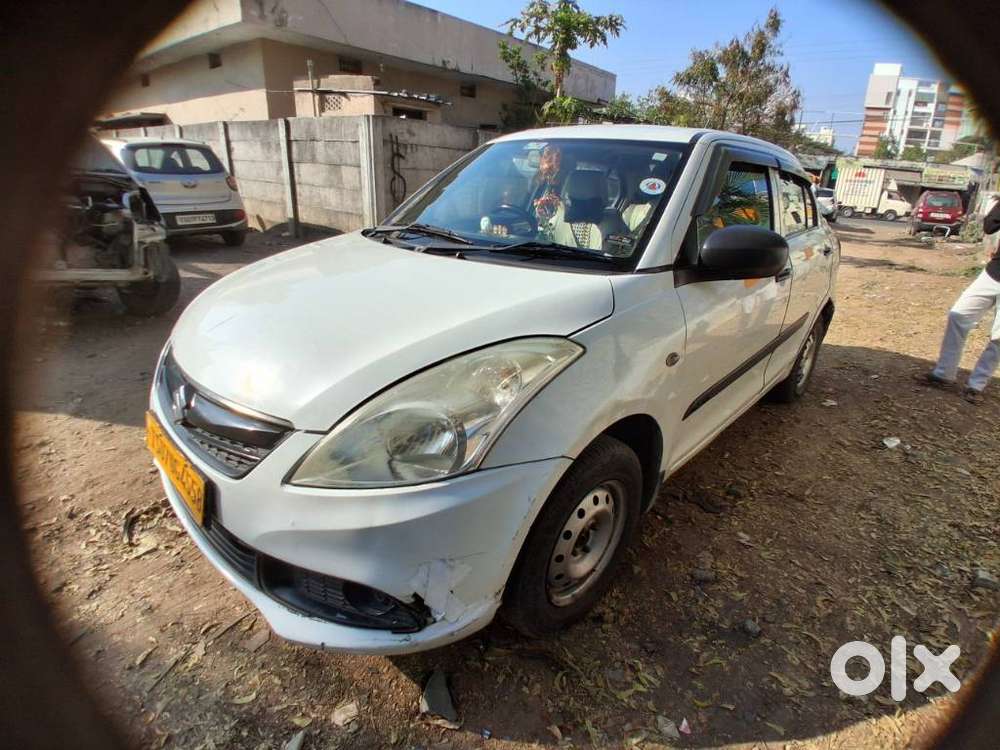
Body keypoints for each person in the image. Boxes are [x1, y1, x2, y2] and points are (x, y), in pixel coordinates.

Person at [924, 197, 1000, 402]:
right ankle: (944, 373)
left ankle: (976, 385)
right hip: (994, 273)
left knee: (998, 337)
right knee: (959, 315)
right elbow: (990, 225)